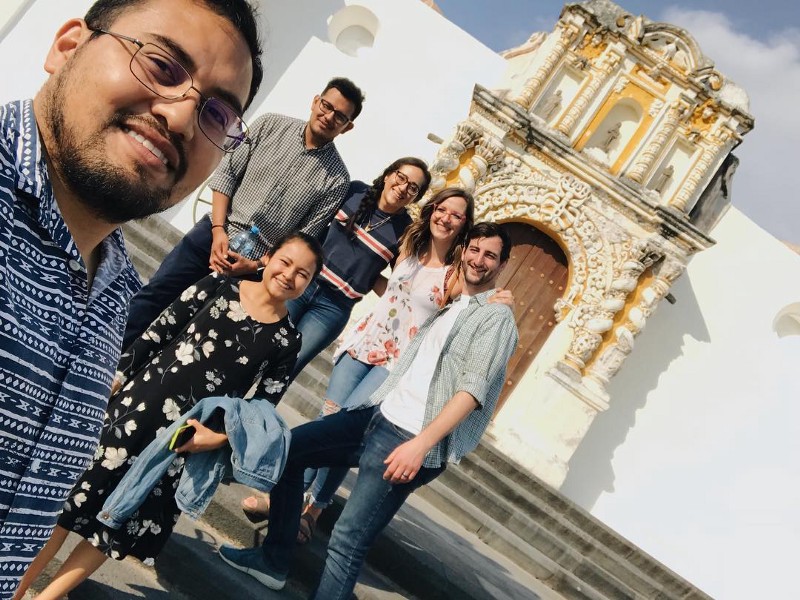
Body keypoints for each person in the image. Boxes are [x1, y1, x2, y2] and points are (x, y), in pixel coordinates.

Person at [0, 0, 262, 594]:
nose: (179, 117)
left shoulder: (116, 287)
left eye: (216, 113)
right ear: (68, 46)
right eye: (163, 65)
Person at [14, 232, 324, 600]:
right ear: (268, 257)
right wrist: (116, 378)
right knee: (68, 504)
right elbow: (158, 331)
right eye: (285, 262)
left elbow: (262, 409)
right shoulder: (220, 286)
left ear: (310, 283)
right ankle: (14, 591)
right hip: (134, 410)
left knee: (115, 526)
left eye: (302, 273)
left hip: (181, 441)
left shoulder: (287, 341)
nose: (289, 275)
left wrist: (220, 438)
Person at [219, 222, 519, 598]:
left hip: (408, 437)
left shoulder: (495, 319)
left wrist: (421, 445)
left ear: (502, 264)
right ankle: (273, 561)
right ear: (463, 251)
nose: (479, 260)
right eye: (474, 250)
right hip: (376, 414)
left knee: (347, 540)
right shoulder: (455, 304)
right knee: (290, 451)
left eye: (490, 255)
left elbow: (471, 391)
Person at [241, 187, 482, 543]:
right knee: (328, 421)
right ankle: (286, 501)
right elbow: (379, 277)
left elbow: (469, 309)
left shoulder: (457, 273)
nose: (446, 218)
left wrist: (498, 299)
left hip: (397, 362)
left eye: (456, 215)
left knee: (347, 428)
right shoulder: (407, 247)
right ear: (432, 210)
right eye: (442, 209)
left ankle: (314, 510)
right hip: (364, 343)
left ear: (464, 224)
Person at [123, 76, 365, 348]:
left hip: (253, 270)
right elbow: (227, 174)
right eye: (326, 105)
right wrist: (217, 231)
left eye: (340, 116)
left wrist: (256, 265)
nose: (329, 116)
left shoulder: (336, 180)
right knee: (154, 297)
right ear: (315, 101)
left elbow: (302, 240)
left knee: (195, 336)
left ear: (348, 127)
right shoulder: (269, 125)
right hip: (213, 234)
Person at [283, 157, 432, 381]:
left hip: (332, 308)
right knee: (258, 347)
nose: (403, 188)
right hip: (298, 284)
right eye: (401, 178)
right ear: (388, 175)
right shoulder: (354, 192)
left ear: (416, 197)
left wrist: (365, 277)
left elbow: (398, 282)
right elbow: (313, 225)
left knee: (286, 368)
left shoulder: (406, 232)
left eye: (413, 188)